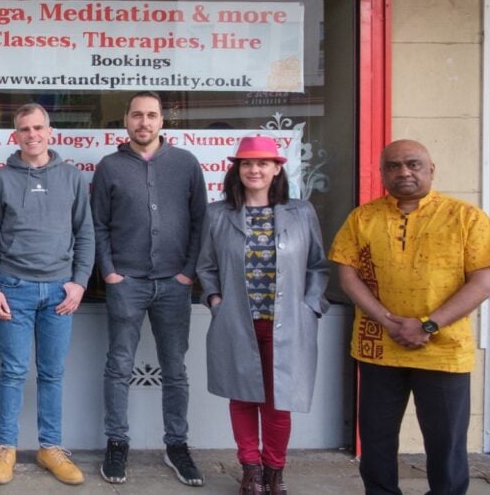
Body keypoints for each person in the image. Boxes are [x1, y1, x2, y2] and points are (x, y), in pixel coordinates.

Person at [330, 139, 490, 495]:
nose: (404, 171)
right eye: (394, 165)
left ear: (431, 170)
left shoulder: (466, 217)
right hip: (378, 347)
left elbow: (483, 279)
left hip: (444, 350)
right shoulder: (363, 217)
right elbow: (347, 275)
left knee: (446, 441)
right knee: (375, 437)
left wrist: (429, 324)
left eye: (413, 164)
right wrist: (388, 322)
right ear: (383, 172)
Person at [196, 136, 329, 495]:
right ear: (237, 170)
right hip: (238, 320)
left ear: (276, 169)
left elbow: (317, 266)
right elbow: (206, 266)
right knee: (242, 397)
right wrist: (215, 300)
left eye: (262, 163)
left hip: (286, 322)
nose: (254, 170)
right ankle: (250, 470)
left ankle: (274, 472)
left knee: (278, 399)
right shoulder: (218, 213)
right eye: (246, 164)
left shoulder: (300, 212)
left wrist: (311, 306)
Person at [91, 91, 207, 486]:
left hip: (175, 284)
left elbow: (199, 223)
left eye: (151, 115)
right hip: (127, 282)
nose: (144, 122)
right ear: (126, 121)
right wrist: (109, 272)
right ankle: (117, 443)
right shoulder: (109, 167)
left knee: (175, 369)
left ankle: (177, 445)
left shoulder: (186, 164)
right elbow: (99, 226)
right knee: (118, 364)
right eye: (137, 115)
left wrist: (188, 273)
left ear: (162, 121)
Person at [0, 103, 94, 486]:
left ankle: (51, 448)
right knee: (12, 372)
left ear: (51, 132)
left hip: (60, 291)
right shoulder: (1, 181)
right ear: (15, 136)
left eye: (38, 128)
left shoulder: (73, 178)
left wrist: (79, 282)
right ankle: (5, 448)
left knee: (52, 373)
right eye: (24, 129)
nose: (32, 135)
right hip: (14, 289)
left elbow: (86, 234)